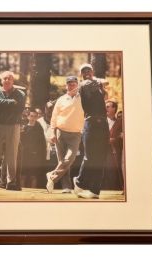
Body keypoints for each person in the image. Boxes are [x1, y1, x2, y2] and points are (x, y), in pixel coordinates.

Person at [0, 71, 25, 190]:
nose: (7, 80)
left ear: (13, 81)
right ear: (1, 81)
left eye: (10, 78)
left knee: (12, 155)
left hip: (13, 126)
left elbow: (20, 108)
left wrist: (6, 105)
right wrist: (12, 103)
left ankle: (11, 182)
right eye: (5, 78)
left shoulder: (20, 94)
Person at [73, 63, 110, 199]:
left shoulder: (97, 85)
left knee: (101, 158)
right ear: (81, 74)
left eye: (89, 70)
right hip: (90, 122)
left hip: (103, 123)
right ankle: (79, 181)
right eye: (84, 71)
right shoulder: (84, 84)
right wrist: (100, 82)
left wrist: (102, 88)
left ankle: (95, 191)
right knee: (90, 156)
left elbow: (104, 94)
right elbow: (103, 81)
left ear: (92, 71)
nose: (86, 72)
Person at [46, 76, 84, 193]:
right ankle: (66, 187)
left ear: (77, 85)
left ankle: (52, 175)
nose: (71, 86)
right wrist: (52, 132)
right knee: (62, 161)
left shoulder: (83, 97)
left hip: (76, 133)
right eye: (69, 84)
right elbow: (54, 118)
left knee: (69, 159)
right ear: (66, 86)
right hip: (60, 132)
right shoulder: (61, 99)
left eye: (73, 83)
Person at [19, 110, 46, 188]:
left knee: (33, 176)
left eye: (35, 116)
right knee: (23, 176)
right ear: (28, 117)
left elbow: (42, 143)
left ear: (37, 117)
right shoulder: (23, 128)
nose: (33, 118)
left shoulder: (39, 129)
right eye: (31, 116)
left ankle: (34, 193)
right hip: (24, 155)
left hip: (35, 156)